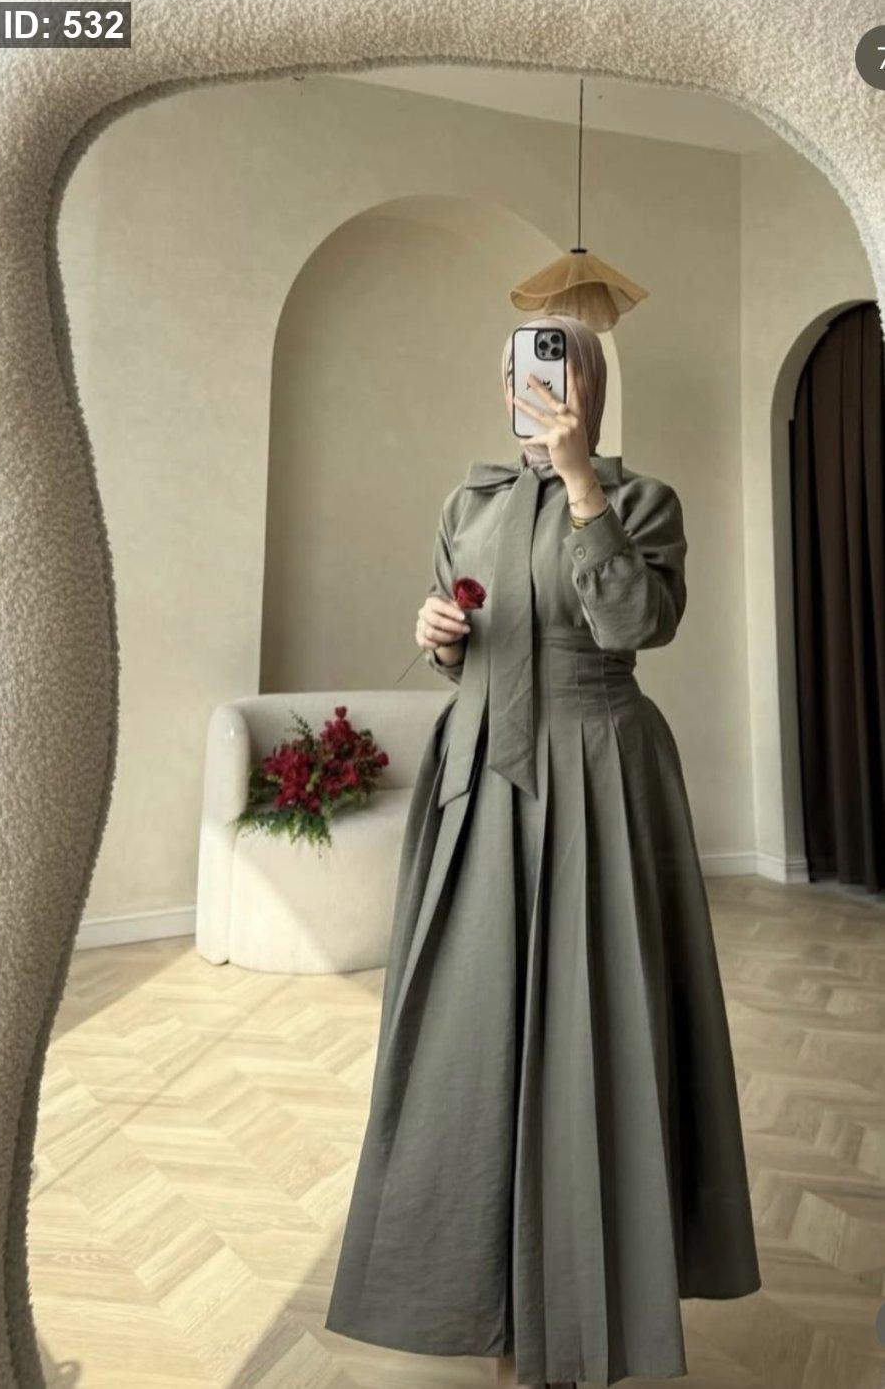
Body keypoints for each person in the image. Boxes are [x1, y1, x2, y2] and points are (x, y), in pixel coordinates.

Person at [324, 314, 761, 1388]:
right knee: (469, 1035)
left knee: (596, 1027)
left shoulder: (642, 500)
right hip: (480, 778)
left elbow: (635, 626)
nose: (534, 386)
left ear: (593, 385)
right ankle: (483, 1295)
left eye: (559, 368)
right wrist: (438, 634)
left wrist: (580, 486)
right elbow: (467, 634)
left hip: (600, 775)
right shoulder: (465, 503)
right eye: (518, 369)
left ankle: (584, 1309)